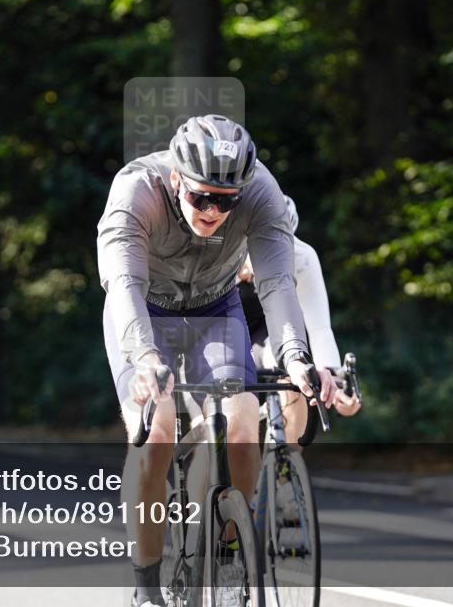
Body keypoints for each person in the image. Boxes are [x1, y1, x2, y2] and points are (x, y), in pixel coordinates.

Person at [98, 114, 337, 607]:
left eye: (225, 201)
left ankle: (228, 541)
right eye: (200, 196)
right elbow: (123, 283)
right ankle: (146, 587)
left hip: (215, 310)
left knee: (243, 421)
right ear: (174, 180)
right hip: (144, 312)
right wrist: (143, 355)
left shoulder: (261, 192)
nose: (212, 210)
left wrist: (295, 356)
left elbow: (277, 282)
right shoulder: (135, 191)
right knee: (158, 429)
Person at [238, 194, 361, 445]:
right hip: (225, 326)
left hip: (270, 331)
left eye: (281, 249)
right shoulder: (221, 256)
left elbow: (318, 328)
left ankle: (287, 462)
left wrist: (334, 381)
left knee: (293, 371)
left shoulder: (302, 258)